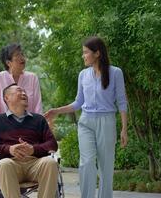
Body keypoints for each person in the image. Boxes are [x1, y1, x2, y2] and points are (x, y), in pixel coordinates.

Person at [44, 36, 128, 198]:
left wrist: (124, 129)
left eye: (85, 52)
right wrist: (56, 111)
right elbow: (78, 103)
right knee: (87, 163)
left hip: (106, 121)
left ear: (97, 54)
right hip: (86, 122)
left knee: (106, 166)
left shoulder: (116, 73)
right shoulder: (83, 75)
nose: (83, 56)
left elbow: (122, 102)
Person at [0, 83, 58, 198]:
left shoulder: (39, 120)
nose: (24, 93)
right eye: (19, 91)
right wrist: (9, 149)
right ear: (6, 98)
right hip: (11, 163)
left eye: (25, 92)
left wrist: (33, 149)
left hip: (35, 164)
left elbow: (52, 144)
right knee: (3, 164)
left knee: (51, 163)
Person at [0, 43, 43, 120]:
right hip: (5, 128)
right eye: (17, 55)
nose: (22, 58)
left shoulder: (32, 78)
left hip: (29, 127)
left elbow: (38, 107)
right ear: (8, 63)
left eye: (22, 54)